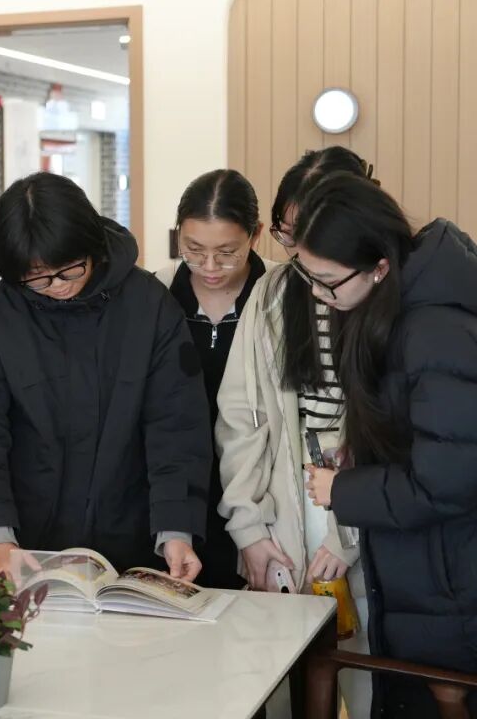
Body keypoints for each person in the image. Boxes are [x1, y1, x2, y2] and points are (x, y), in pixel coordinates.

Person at [0, 171, 211, 581]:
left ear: (91, 245)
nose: (56, 286)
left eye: (69, 269)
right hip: (26, 549)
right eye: (37, 277)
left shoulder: (149, 307)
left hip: (132, 544)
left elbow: (176, 426)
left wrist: (176, 531)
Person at [299, 173, 477, 719]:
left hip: (452, 583)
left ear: (378, 266)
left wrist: (343, 490)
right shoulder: (398, 306)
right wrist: (365, 450)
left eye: (328, 282)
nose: (319, 294)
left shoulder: (436, 331)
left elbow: (445, 482)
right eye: (308, 277)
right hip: (429, 575)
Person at [215, 146, 375, 718]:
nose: (297, 248)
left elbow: (393, 435)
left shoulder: (383, 290)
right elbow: (240, 417)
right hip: (287, 498)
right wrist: (248, 528)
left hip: (363, 501)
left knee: (366, 671)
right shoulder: (274, 291)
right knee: (279, 674)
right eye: (286, 233)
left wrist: (347, 536)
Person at [155, 169, 268, 589]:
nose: (209, 266)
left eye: (227, 252)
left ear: (256, 235)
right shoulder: (156, 295)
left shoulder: (280, 294)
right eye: (193, 249)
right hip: (176, 496)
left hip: (260, 497)